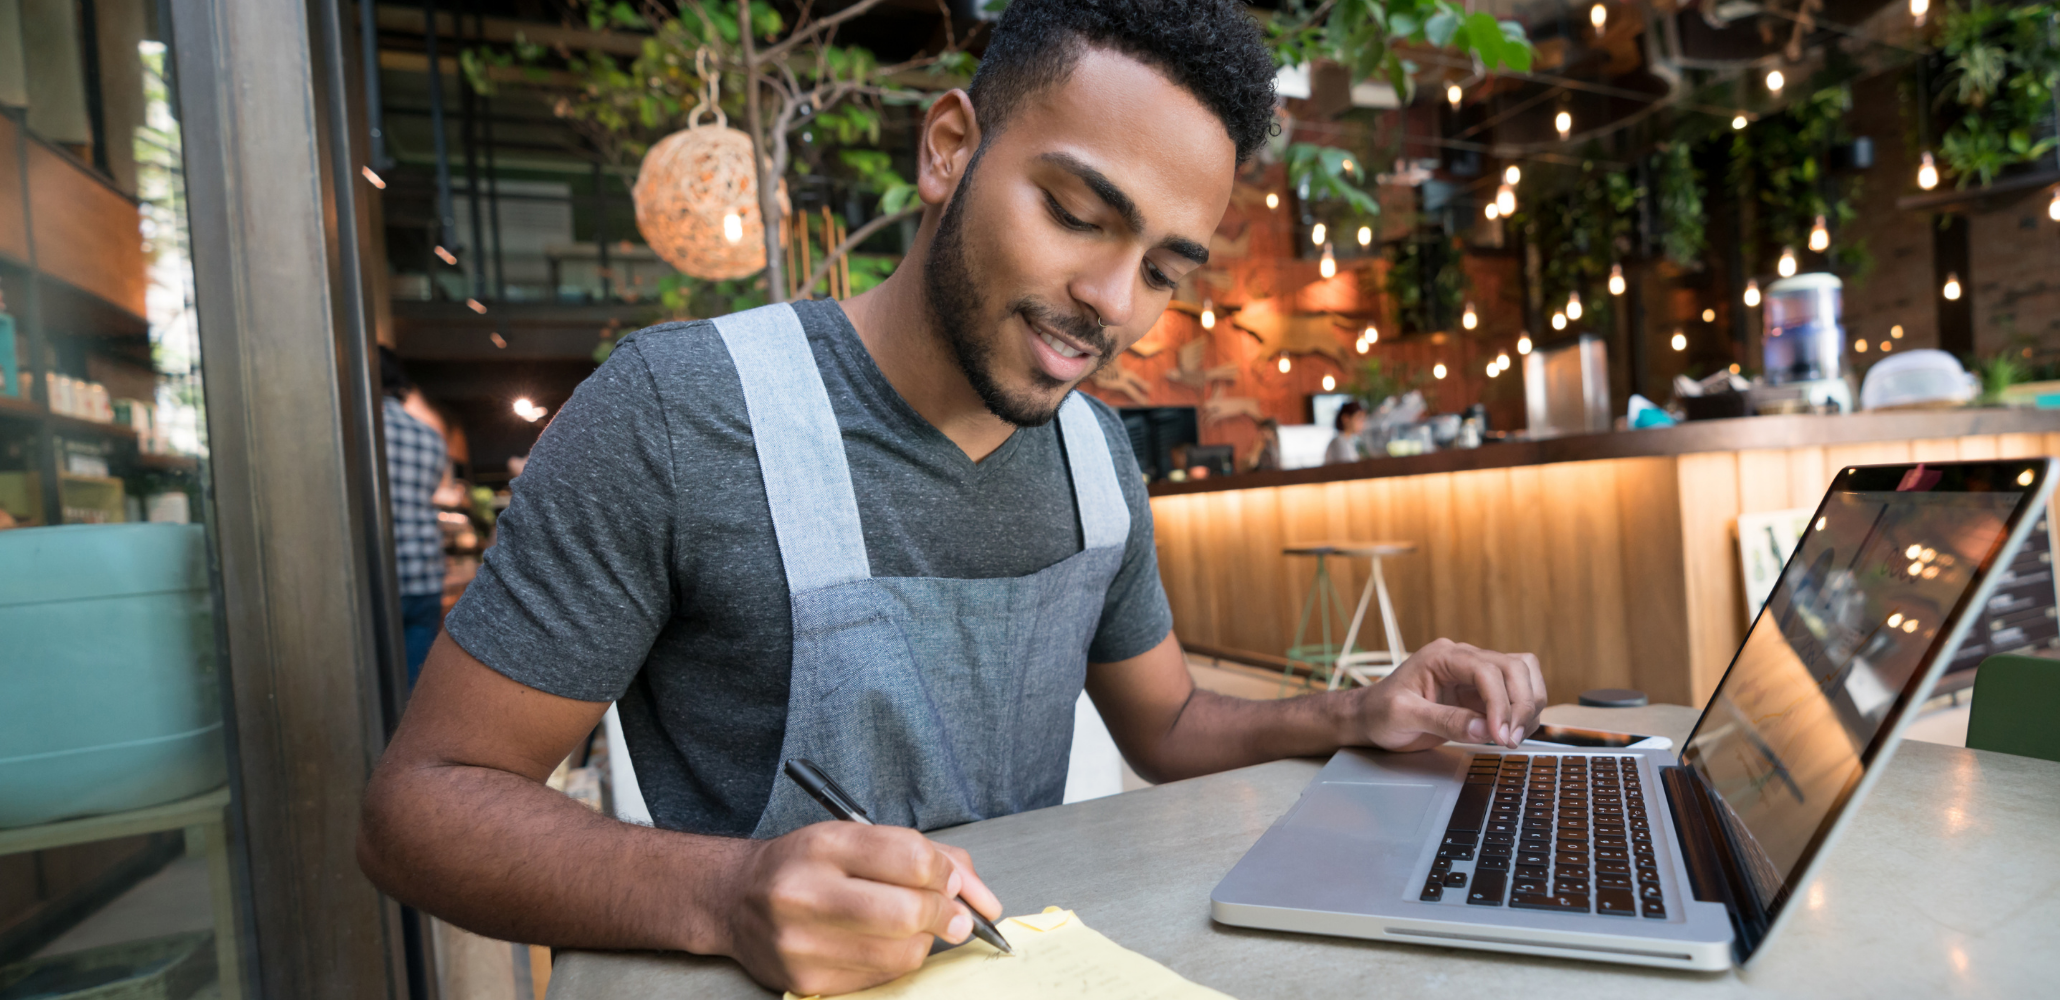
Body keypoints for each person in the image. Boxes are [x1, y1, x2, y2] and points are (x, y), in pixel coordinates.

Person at [357, 3, 1547, 995]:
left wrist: (1354, 714)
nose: (1112, 302)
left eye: (1164, 270)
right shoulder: (680, 414)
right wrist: (724, 892)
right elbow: (421, 807)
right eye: (1079, 216)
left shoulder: (1094, 458)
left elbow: (1169, 725)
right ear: (945, 148)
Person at [377, 346, 447, 685]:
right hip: (423, 572)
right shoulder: (429, 437)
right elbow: (431, 491)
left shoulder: (352, 435)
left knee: (374, 685)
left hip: (376, 576)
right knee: (413, 686)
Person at [1325, 399, 1368, 464]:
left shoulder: (1348, 441)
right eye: (1359, 418)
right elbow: (1348, 470)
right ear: (1346, 419)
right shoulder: (1339, 441)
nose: (1362, 423)